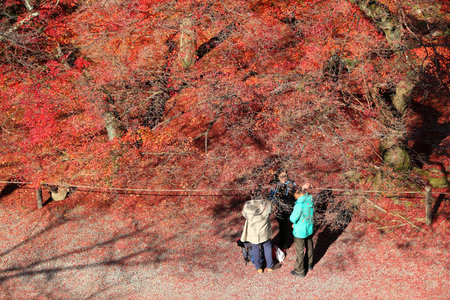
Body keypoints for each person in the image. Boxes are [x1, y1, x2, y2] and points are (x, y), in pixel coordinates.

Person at [240, 198, 274, 273]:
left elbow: (244, 214)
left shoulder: (247, 205)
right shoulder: (267, 205)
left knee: (255, 249)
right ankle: (270, 266)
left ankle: (258, 267)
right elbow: (271, 212)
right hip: (264, 231)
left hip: (253, 232)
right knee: (267, 246)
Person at [269, 168, 297, 250]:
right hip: (280, 208)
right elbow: (272, 197)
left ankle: (288, 242)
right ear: (278, 176)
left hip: (290, 207)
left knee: (289, 226)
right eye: (282, 176)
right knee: (282, 226)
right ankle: (281, 244)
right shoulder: (275, 185)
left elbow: (297, 194)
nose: (285, 177)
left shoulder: (292, 183)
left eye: (286, 175)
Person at [289, 183, 314, 277]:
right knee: (309, 246)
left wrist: (292, 222)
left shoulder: (299, 204)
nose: (294, 197)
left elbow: (293, 218)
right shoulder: (309, 198)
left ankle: (300, 271)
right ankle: (310, 264)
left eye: (294, 195)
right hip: (309, 227)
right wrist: (304, 189)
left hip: (300, 231)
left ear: (297, 193)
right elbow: (306, 194)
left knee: (300, 250)